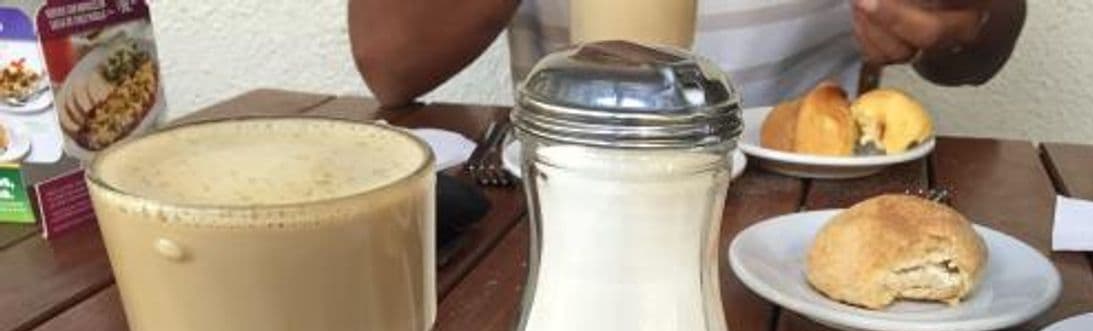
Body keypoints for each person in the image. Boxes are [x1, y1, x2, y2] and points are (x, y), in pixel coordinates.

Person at [349, 0, 1027, 109]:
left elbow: (982, 44)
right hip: (571, 203)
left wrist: (954, 24)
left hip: (805, 215)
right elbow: (389, 59)